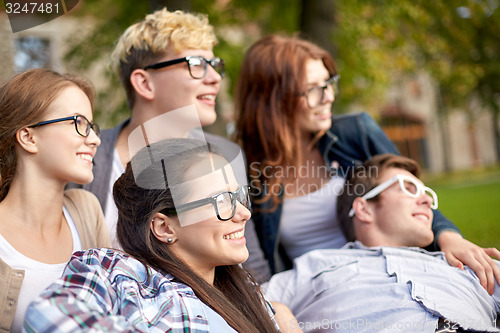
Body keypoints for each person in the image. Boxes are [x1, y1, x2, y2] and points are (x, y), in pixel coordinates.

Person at [235, 34, 500, 290]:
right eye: (315, 90)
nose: (329, 97)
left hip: (388, 277)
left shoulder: (356, 133)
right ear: (273, 99)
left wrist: (448, 236)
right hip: (316, 296)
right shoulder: (249, 170)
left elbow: (413, 194)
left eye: (329, 83)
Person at [67, 7, 271, 281]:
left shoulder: (223, 155)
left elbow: (253, 269)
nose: (214, 78)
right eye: (196, 65)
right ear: (144, 82)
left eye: (215, 65)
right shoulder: (84, 157)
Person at [24, 138, 283, 332]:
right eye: (222, 201)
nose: (243, 214)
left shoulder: (244, 290)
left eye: (239, 196)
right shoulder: (119, 273)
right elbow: (49, 316)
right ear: (164, 227)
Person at [263, 154, 500, 333]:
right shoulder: (313, 266)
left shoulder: (466, 265)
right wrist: (280, 314)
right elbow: (247, 302)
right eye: (410, 189)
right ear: (364, 208)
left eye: (426, 192)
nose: (427, 199)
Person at [0, 68, 110, 333]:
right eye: (78, 123)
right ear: (28, 137)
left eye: (92, 127)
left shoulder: (86, 210)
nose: (94, 139)